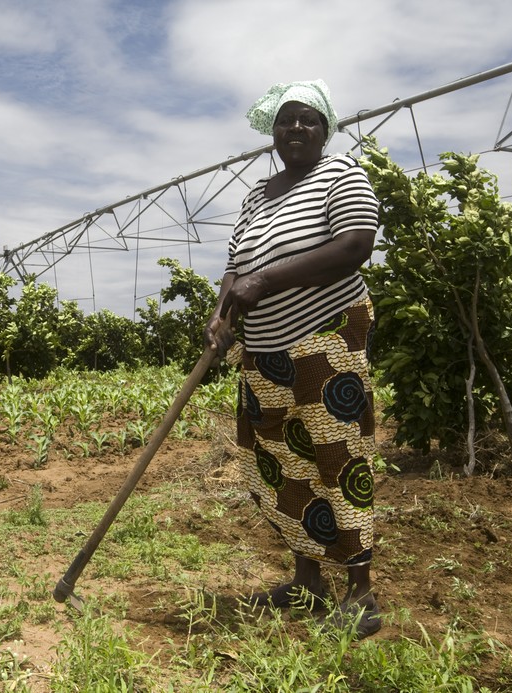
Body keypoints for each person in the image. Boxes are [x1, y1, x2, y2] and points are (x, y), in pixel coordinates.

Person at [204, 79, 381, 638]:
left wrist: (268, 278)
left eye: (307, 119)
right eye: (285, 121)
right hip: (264, 350)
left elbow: (355, 247)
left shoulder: (343, 175)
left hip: (325, 337)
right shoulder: (257, 194)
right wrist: (221, 315)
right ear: (272, 133)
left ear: (326, 128)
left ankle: (361, 593)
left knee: (337, 457)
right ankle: (308, 580)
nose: (295, 129)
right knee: (281, 461)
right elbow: (236, 266)